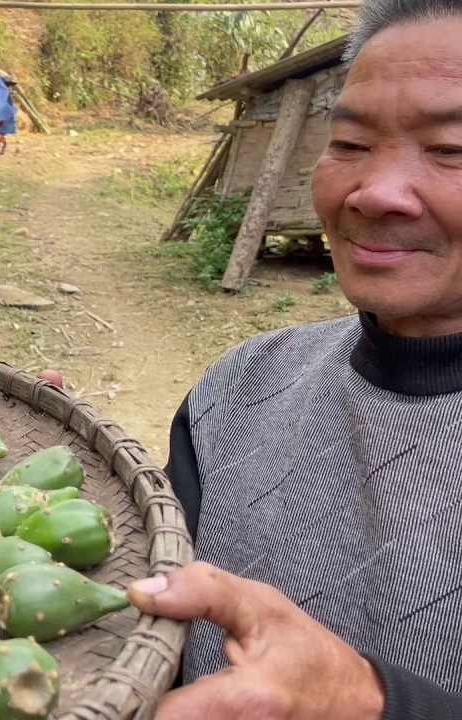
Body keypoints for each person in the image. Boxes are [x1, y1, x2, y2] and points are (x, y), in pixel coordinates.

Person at [129, 1, 462, 716]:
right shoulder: (238, 393)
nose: (374, 192)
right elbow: (144, 615)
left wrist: (367, 701)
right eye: (350, 142)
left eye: (450, 150)